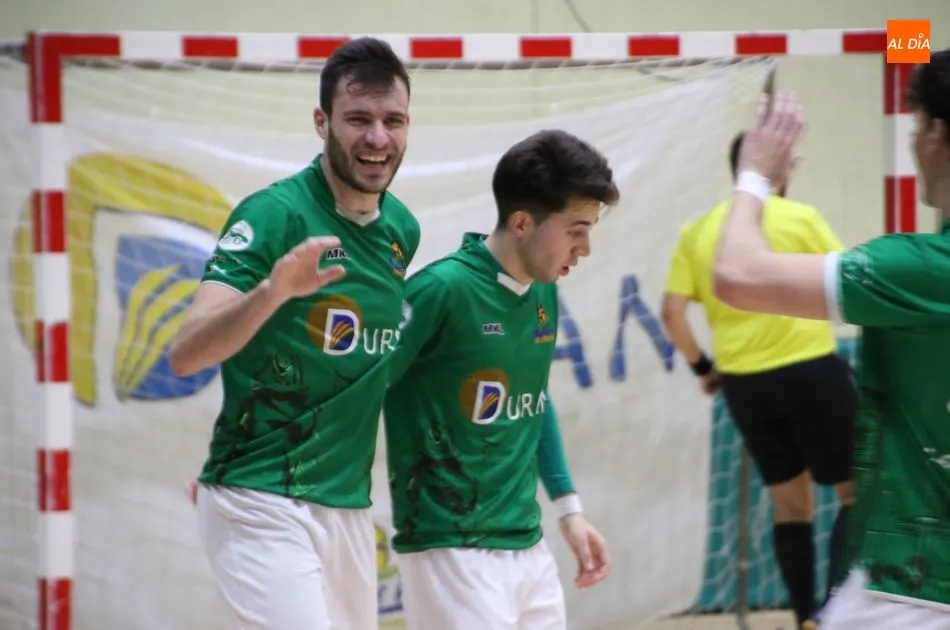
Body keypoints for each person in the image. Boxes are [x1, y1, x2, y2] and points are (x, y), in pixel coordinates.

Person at [168, 37, 419, 630]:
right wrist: (273, 292)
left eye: (393, 121)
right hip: (260, 499)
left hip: (348, 508)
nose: (377, 139)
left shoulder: (401, 230)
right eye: (358, 119)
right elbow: (186, 352)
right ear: (322, 121)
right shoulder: (272, 215)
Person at [714, 51, 950, 630]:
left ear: (939, 133)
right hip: (816, 381)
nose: (914, 143)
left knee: (792, 504)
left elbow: (735, 275)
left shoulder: (920, 267)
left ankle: (803, 613)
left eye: (917, 126)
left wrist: (754, 180)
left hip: (914, 586)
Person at [383, 129, 616, 630]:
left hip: (526, 547)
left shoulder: (542, 292)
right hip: (449, 547)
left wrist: (569, 510)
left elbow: (533, 398)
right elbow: (357, 390)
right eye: (576, 228)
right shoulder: (440, 291)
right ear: (521, 222)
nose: (586, 247)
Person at [661, 131, 856, 629]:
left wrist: (703, 368)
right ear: (777, 166)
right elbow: (853, 285)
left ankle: (804, 616)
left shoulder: (700, 232)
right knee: (856, 494)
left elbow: (672, 314)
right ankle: (834, 611)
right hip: (811, 370)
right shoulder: (800, 218)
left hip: (745, 385)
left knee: (791, 506)